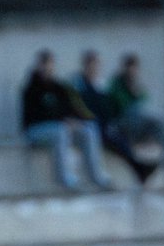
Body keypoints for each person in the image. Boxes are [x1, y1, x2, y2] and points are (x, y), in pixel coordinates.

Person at [21, 49, 113, 191]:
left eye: (50, 64)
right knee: (60, 131)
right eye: (44, 64)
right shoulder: (30, 89)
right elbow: (34, 116)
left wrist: (76, 121)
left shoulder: (59, 87)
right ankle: (63, 179)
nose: (47, 68)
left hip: (60, 127)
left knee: (88, 129)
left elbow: (71, 109)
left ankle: (96, 176)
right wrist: (62, 121)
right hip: (35, 131)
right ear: (39, 66)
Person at [72, 51, 157, 184]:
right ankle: (138, 169)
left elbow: (109, 110)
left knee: (120, 137)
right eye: (92, 66)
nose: (94, 69)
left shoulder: (100, 86)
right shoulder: (79, 85)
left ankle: (140, 168)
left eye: (96, 66)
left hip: (105, 126)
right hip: (91, 127)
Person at [108, 53, 164, 170]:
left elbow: (145, 101)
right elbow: (121, 105)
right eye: (130, 68)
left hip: (139, 123)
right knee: (138, 112)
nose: (133, 71)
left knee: (159, 123)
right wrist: (132, 93)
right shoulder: (116, 83)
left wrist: (136, 93)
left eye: (135, 68)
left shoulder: (136, 84)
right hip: (122, 123)